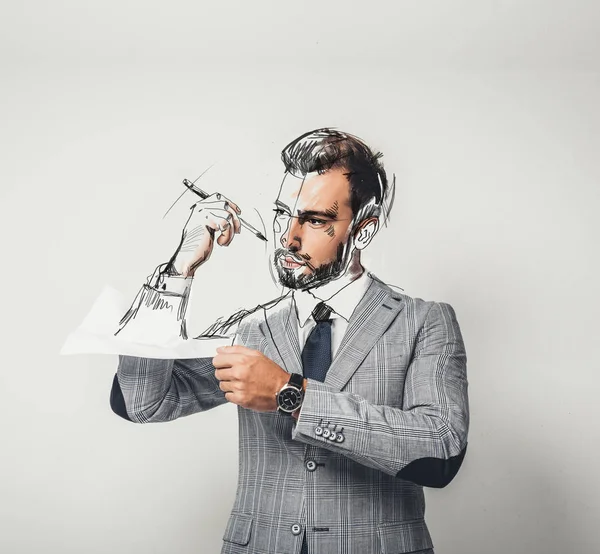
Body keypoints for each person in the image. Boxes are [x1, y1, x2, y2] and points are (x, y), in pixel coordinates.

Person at [110, 128, 470, 554]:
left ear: (364, 229)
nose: (287, 237)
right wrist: (178, 270)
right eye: (283, 213)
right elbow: (140, 402)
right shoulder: (249, 328)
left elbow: (441, 451)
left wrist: (290, 393)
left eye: (315, 220)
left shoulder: (423, 321)